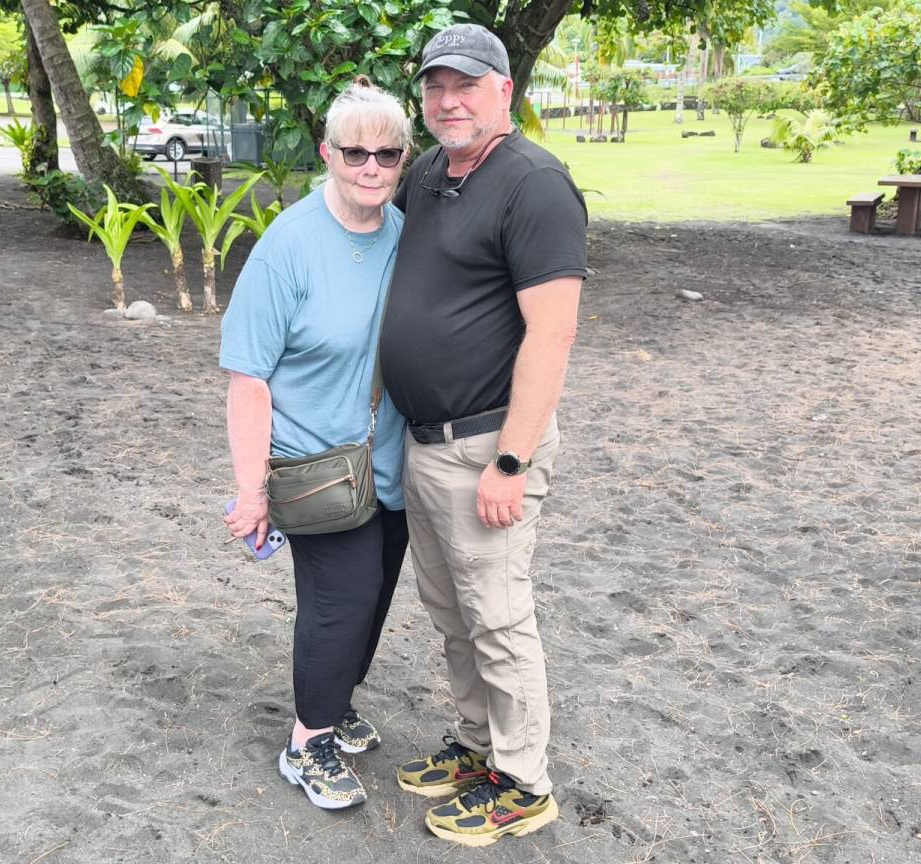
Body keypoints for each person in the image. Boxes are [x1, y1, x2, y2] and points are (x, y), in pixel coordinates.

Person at [380, 24, 588, 846]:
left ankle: (523, 783)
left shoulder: (534, 183)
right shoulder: (429, 174)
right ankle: (476, 746)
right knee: (452, 612)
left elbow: (553, 334)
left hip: (488, 445)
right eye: (434, 86)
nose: (448, 100)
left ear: (505, 90)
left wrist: (512, 457)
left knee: (498, 618)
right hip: (423, 441)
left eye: (466, 84)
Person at [219, 77, 414, 811]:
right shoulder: (288, 248)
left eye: (387, 154)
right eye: (354, 152)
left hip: (391, 459)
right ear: (328, 154)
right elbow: (248, 381)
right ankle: (308, 742)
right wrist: (252, 488)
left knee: (375, 596)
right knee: (342, 599)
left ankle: (337, 701)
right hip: (315, 466)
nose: (371, 167)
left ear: (404, 158)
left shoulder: (404, 233)